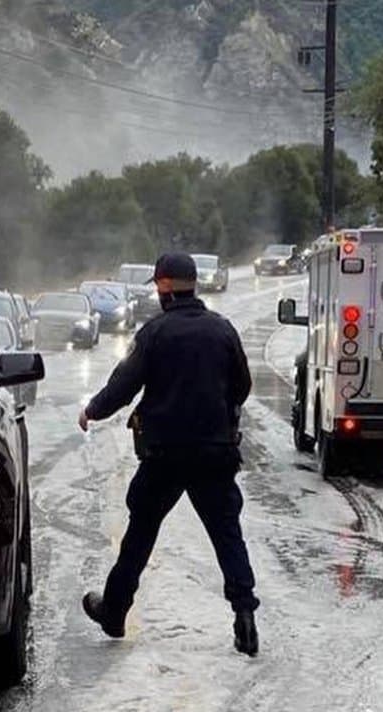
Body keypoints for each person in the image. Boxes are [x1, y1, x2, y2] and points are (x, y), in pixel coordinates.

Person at [77, 252, 259, 656]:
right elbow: (242, 386)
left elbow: (124, 384)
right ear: (192, 284)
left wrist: (93, 410)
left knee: (140, 533)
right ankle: (245, 617)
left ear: (162, 287)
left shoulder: (155, 332)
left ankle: (114, 611)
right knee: (227, 534)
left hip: (164, 455)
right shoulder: (223, 330)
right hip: (215, 453)